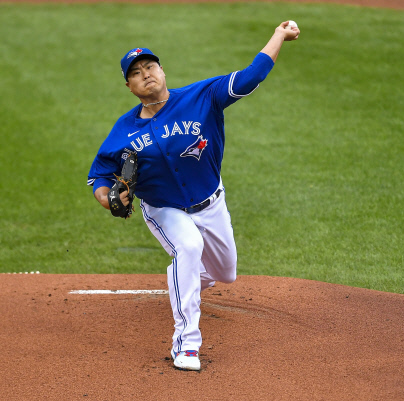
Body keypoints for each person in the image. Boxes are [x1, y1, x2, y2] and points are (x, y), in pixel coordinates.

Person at [87, 21, 300, 371]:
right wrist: (108, 197)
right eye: (137, 73)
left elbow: (251, 76)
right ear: (129, 86)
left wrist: (279, 35)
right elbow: (99, 174)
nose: (146, 75)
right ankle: (186, 345)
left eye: (151, 67)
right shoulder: (123, 130)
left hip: (212, 202)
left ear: (162, 70)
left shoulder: (202, 96)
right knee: (187, 247)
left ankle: (180, 280)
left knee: (224, 274)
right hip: (164, 209)